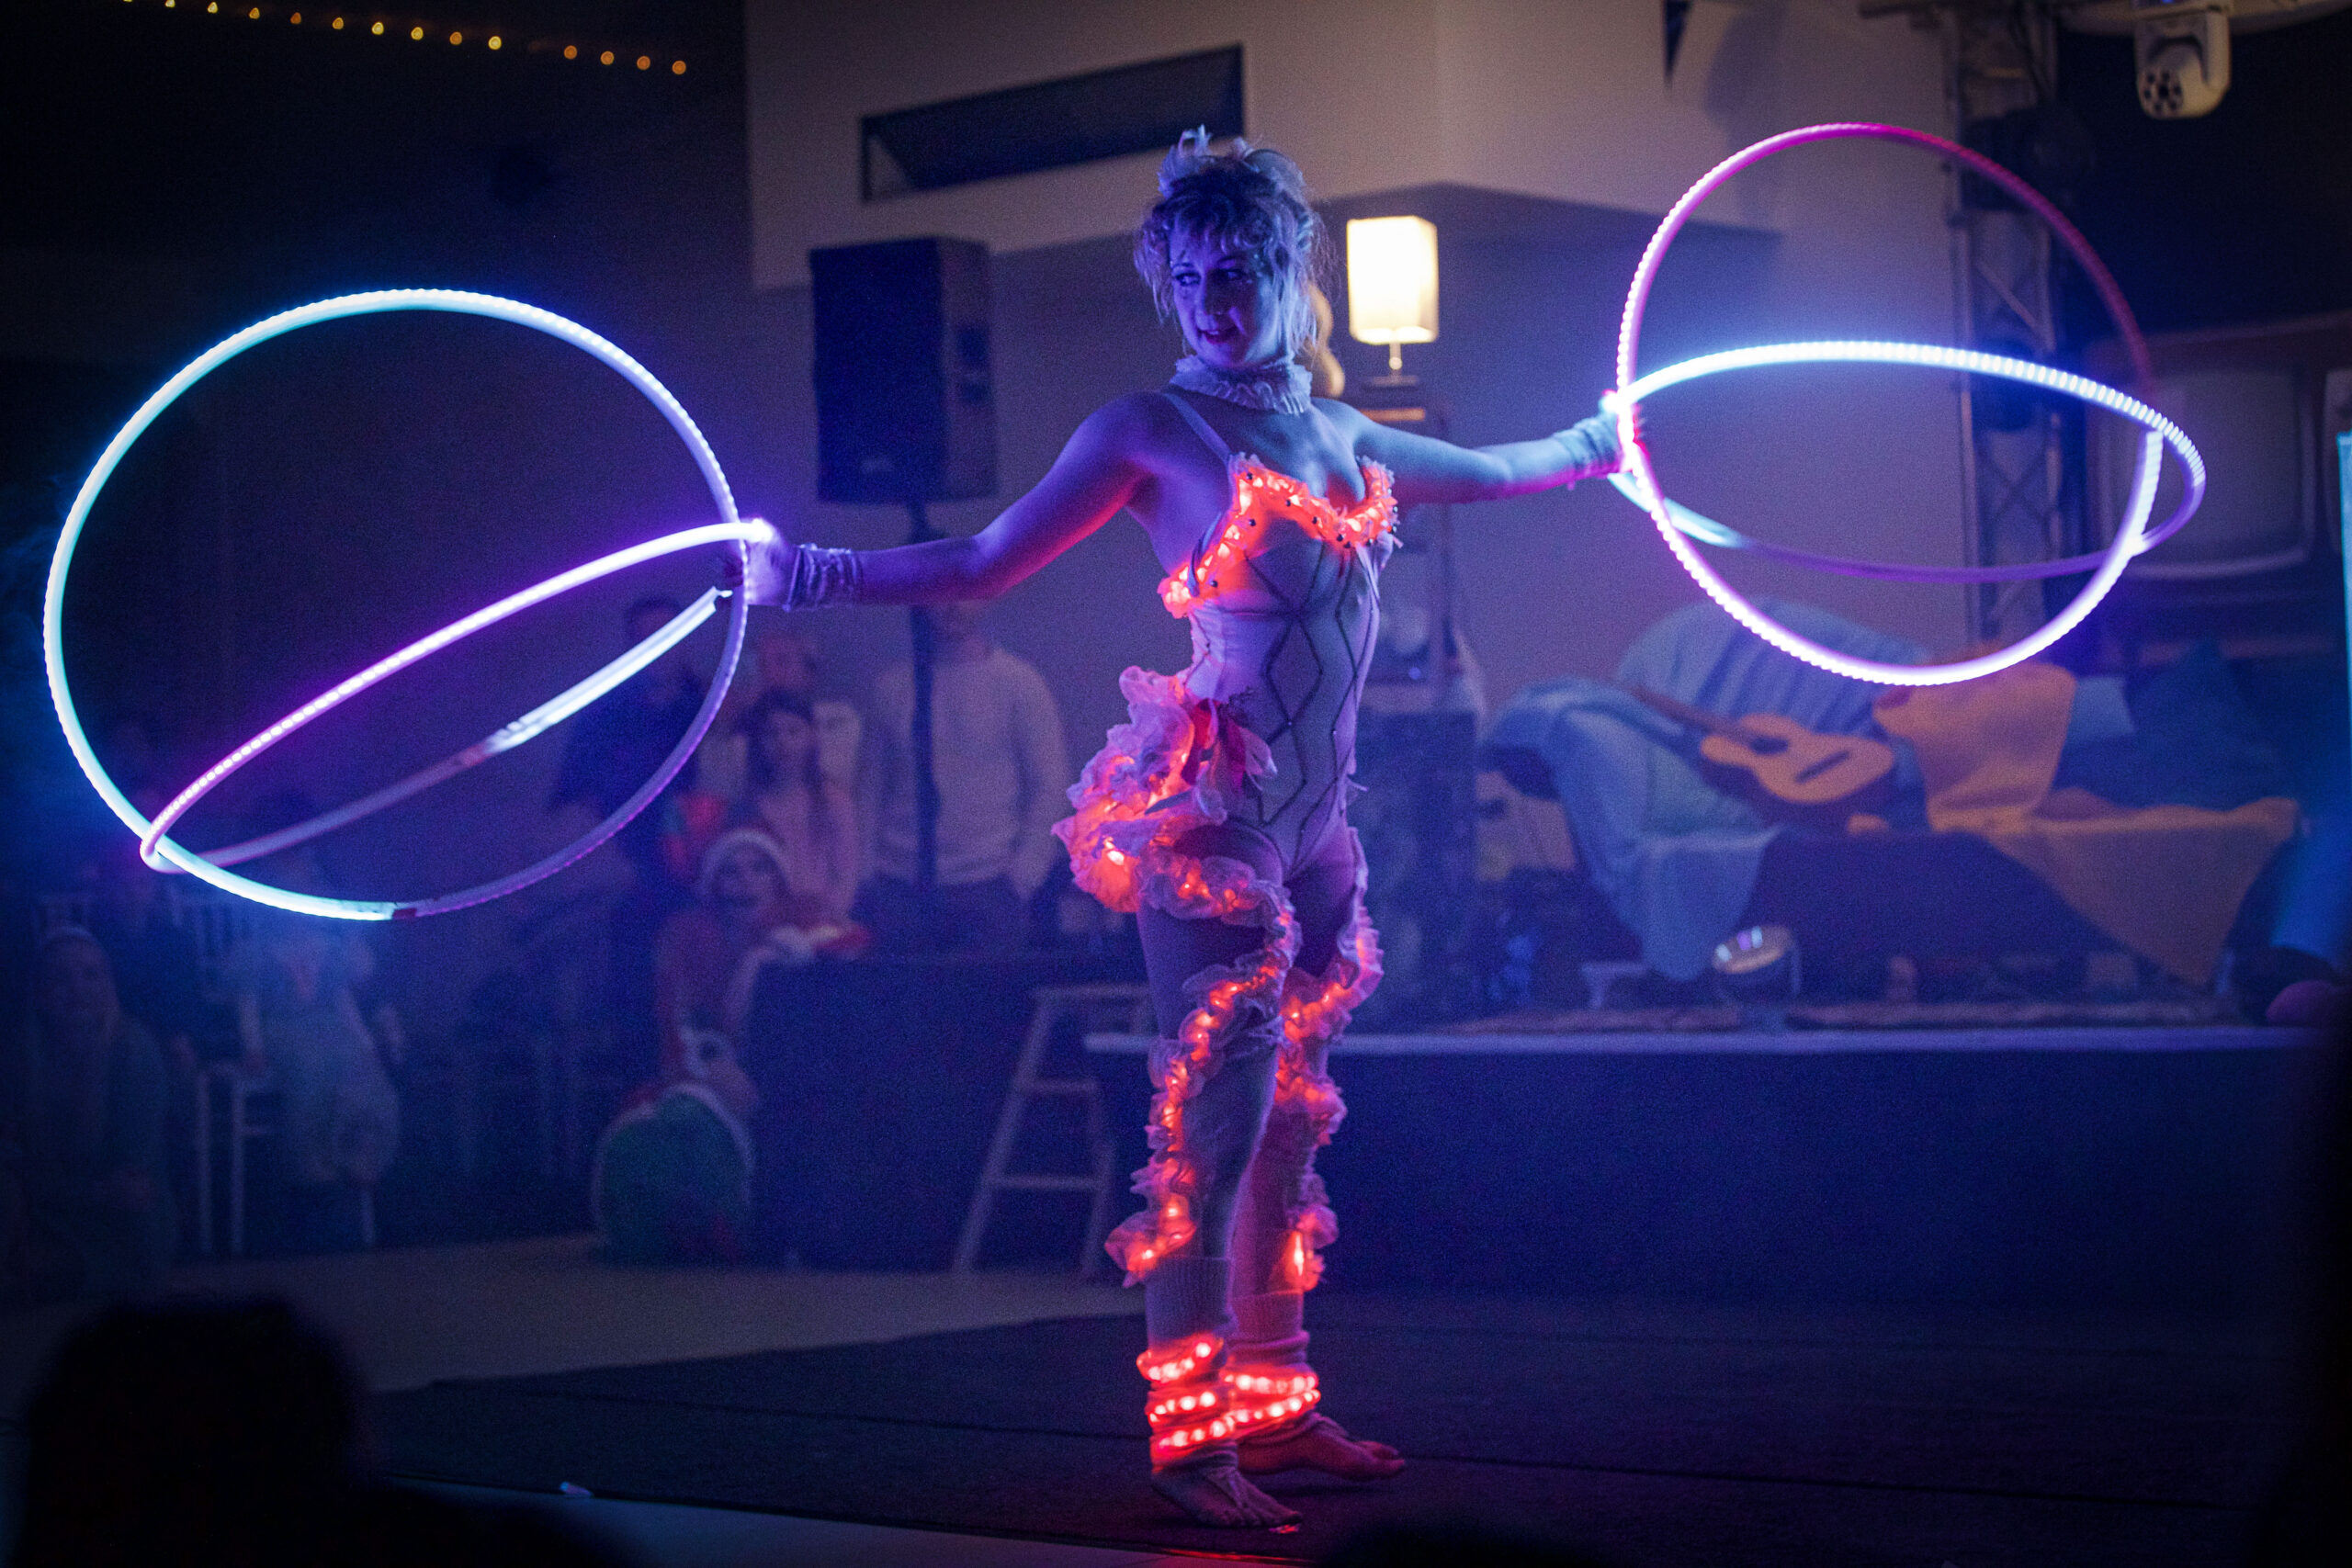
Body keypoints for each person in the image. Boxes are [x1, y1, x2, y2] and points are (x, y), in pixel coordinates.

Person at [746, 131, 1620, 1528]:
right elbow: (982, 559)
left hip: (1317, 829)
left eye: (1244, 270)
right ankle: (1188, 1436)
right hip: (1215, 817)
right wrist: (804, 573)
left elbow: (1495, 470)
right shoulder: (1148, 431)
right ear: (1170, 283)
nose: (1219, 299)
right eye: (1195, 275)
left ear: (1290, 271)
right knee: (1210, 1132)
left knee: (1287, 1131)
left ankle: (1275, 1402)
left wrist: (1598, 444)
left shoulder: (1341, 435)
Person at [856, 599, 1071, 953]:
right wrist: (866, 879)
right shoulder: (892, 689)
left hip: (991, 884)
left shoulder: (1018, 684)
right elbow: (869, 791)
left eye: (964, 592)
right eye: (942, 593)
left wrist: (1021, 878)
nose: (952, 605)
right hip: (899, 884)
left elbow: (1049, 785)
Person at [232, 839, 401, 1252]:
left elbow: (343, 1000)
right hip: (284, 1029)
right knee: (309, 1069)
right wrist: (253, 1045)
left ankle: (360, 1154)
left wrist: (365, 1041)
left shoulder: (329, 948)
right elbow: (248, 1003)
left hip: (330, 1026)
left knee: (359, 1068)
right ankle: (314, 1170)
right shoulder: (258, 951)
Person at [1, 928, 176, 1303]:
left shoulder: (134, 1052)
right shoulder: (18, 1056)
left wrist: (62, 1190)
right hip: (40, 1210)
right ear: (40, 991)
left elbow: (132, 1177)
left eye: (90, 975)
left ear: (109, 984)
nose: (78, 989)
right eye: (61, 978)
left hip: (116, 1223)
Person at [735, 689, 863, 934]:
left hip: (823, 921)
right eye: (772, 733)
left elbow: (846, 872)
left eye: (793, 731)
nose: (782, 743)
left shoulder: (834, 800)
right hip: (768, 922)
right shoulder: (750, 803)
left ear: (811, 736)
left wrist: (830, 916)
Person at [700, 626, 863, 804]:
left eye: (782, 661)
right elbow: (719, 790)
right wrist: (728, 723)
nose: (769, 672)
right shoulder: (741, 727)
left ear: (809, 671)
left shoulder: (839, 720)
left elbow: (831, 774)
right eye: (762, 664)